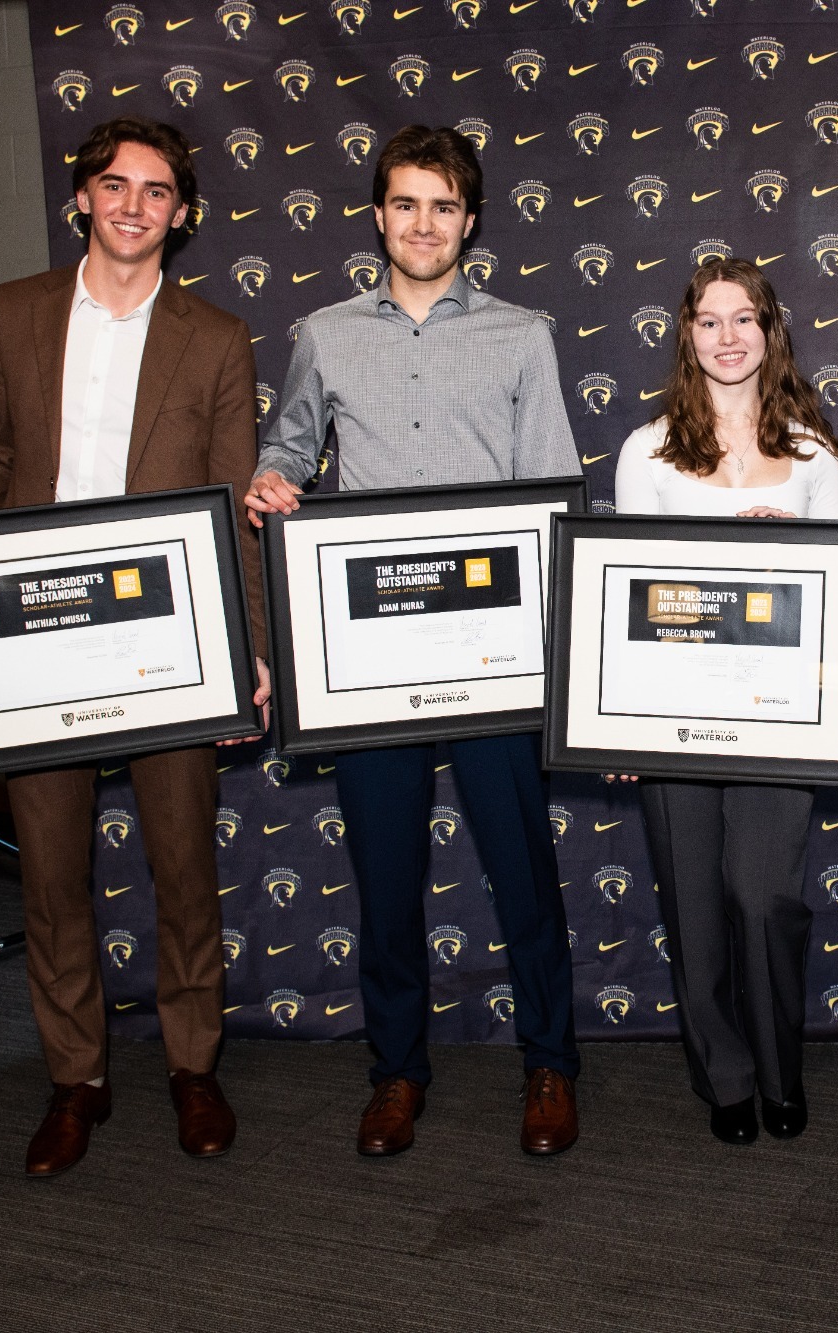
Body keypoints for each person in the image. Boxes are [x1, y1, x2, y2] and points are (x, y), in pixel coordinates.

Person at [0, 117, 269, 1178]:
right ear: (79, 198)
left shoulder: (218, 335)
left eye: (155, 190)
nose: (133, 204)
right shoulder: (17, 311)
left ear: (180, 214)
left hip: (169, 641)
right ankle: (75, 1079)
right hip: (40, 639)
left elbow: (234, 505)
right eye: (113, 185)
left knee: (184, 866)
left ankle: (193, 1066)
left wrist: (251, 649)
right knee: (49, 876)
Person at [248, 125, 582, 1158]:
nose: (422, 224)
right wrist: (274, 478)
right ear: (378, 215)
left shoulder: (523, 334)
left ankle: (550, 1065)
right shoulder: (324, 333)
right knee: (384, 878)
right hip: (374, 659)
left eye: (442, 205)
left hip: (492, 655)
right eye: (404, 204)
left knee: (523, 873)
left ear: (469, 221)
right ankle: (395, 1072)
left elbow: (554, 497)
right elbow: (288, 445)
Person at [611, 259, 838, 1145]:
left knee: (763, 898)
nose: (728, 337)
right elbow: (629, 596)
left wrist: (801, 552)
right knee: (696, 908)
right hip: (674, 711)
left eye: (744, 318)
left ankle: (783, 1070)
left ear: (771, 328)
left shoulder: (815, 454)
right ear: (687, 334)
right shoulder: (648, 450)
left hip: (781, 713)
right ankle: (727, 1078)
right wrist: (624, 718)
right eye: (709, 321)